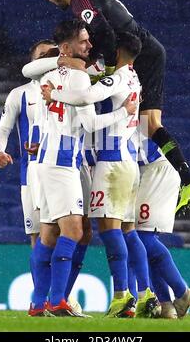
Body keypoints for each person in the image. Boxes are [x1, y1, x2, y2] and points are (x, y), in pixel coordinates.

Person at [39, 0, 190, 216]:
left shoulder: (80, 2)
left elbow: (105, 35)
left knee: (149, 124)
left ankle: (184, 179)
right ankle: (187, 179)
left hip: (142, 53)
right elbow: (105, 32)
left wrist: (104, 69)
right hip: (145, 48)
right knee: (149, 124)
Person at [42, 31, 160, 319]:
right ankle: (144, 293)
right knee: (128, 231)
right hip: (126, 161)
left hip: (112, 163)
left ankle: (123, 296)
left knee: (110, 231)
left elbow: (86, 96)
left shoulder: (118, 77)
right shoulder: (134, 78)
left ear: (118, 50)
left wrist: (54, 93)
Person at [30, 19, 137, 317]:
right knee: (75, 230)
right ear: (66, 47)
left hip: (52, 159)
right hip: (63, 162)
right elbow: (90, 124)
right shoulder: (78, 79)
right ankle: (57, 300)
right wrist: (122, 112)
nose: (89, 45)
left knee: (51, 233)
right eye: (83, 41)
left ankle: (39, 303)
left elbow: (32, 73)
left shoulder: (49, 75)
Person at [0, 39, 56, 247]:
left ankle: (61, 279)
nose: (48, 59)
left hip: (60, 168)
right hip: (30, 173)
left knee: (64, 231)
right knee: (37, 237)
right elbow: (3, 129)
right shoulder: (19, 94)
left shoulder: (68, 90)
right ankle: (41, 280)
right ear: (32, 62)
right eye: (42, 56)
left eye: (52, 54)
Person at [134, 128, 190, 319]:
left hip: (156, 167)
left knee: (140, 238)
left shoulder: (135, 103)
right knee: (141, 242)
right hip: (146, 169)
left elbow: (154, 126)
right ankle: (165, 304)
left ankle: (182, 292)